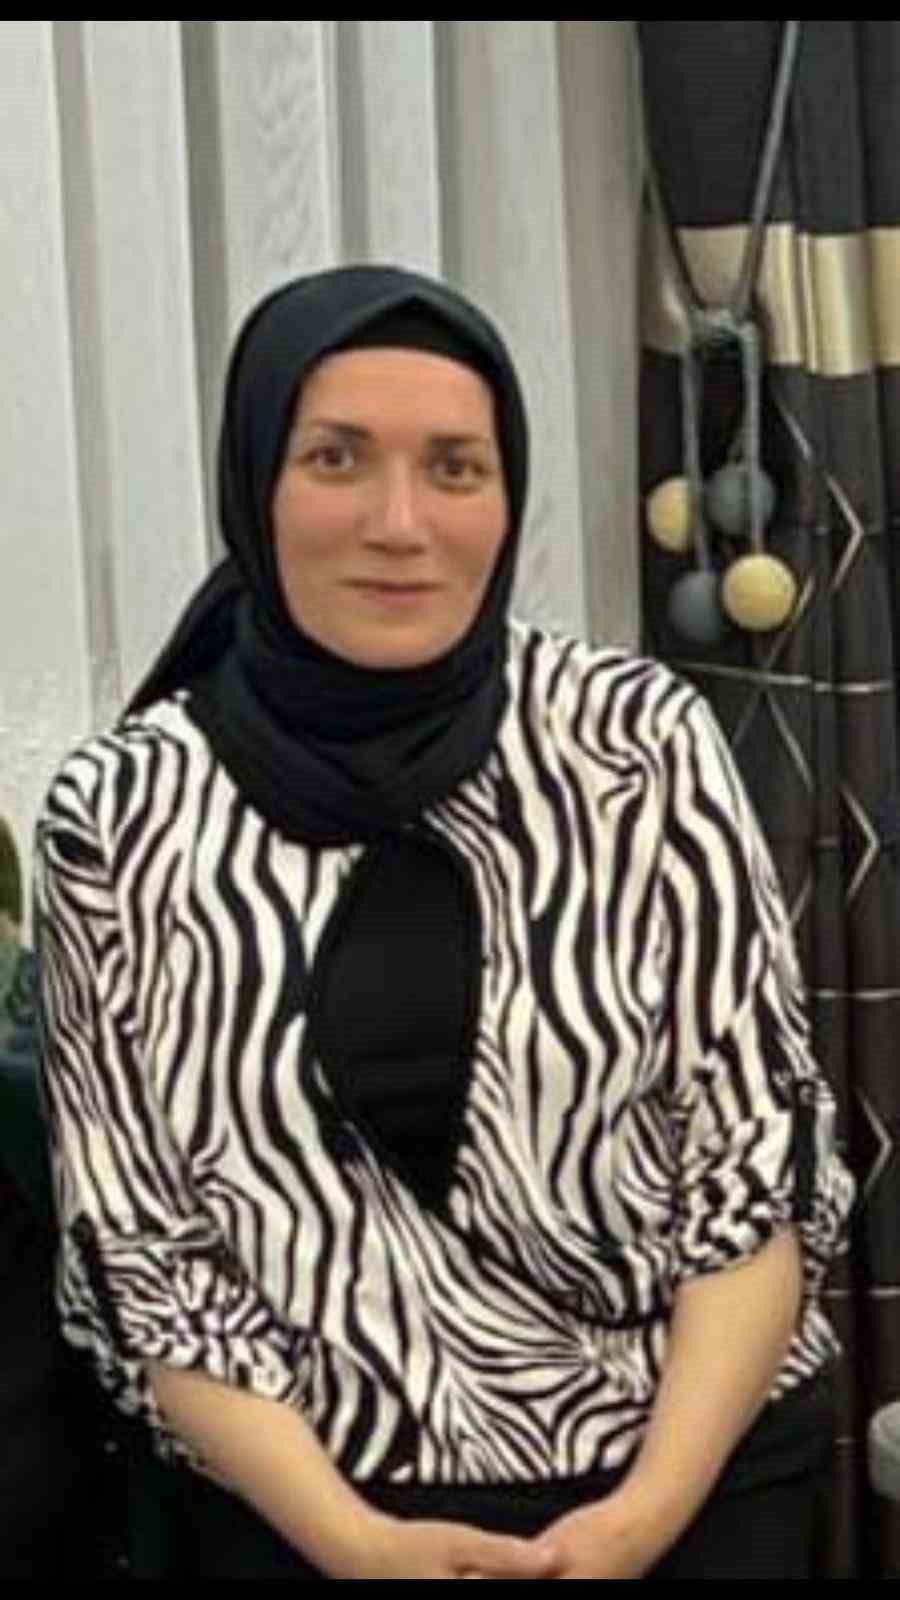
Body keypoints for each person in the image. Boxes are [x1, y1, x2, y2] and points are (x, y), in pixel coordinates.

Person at [34, 264, 853, 1580]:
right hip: (303, 1513)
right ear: (254, 482)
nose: (400, 523)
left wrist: (638, 1521)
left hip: (691, 1487)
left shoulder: (637, 745)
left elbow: (757, 1179)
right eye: (337, 459)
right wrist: (354, 1541)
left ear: (509, 495)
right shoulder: (120, 817)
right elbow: (146, 1258)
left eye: (455, 468)